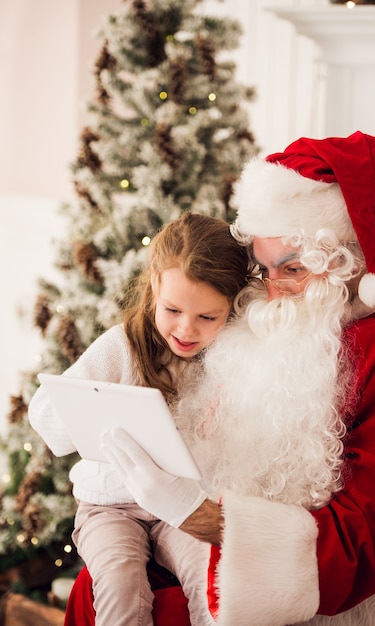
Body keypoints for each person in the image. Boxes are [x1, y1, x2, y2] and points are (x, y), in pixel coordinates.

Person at [101, 131, 375, 625]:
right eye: (263, 270)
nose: (271, 291)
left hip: (334, 586)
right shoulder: (308, 323)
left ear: (348, 263)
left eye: (290, 269)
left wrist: (202, 516)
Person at [28, 211, 249, 626]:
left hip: (181, 506)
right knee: (120, 579)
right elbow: (44, 411)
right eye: (173, 310)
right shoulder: (121, 345)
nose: (186, 329)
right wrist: (91, 411)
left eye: (207, 317)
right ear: (153, 287)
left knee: (213, 579)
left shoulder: (228, 360)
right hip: (108, 508)